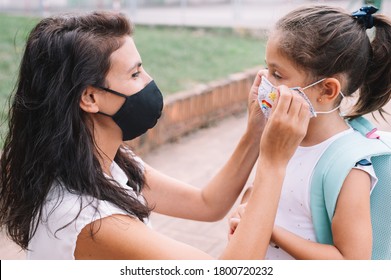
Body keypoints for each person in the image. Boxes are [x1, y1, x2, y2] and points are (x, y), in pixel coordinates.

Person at [0, 11, 310, 259]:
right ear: (91, 98)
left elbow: (207, 204)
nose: (150, 81)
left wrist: (257, 131)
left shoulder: (103, 164)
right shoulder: (88, 219)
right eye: (134, 74)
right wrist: (273, 163)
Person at [229, 5, 391, 259]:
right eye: (267, 68)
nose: (264, 80)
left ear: (326, 90)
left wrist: (269, 231)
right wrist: (246, 214)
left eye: (277, 74)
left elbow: (352, 263)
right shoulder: (283, 139)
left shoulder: (349, 167)